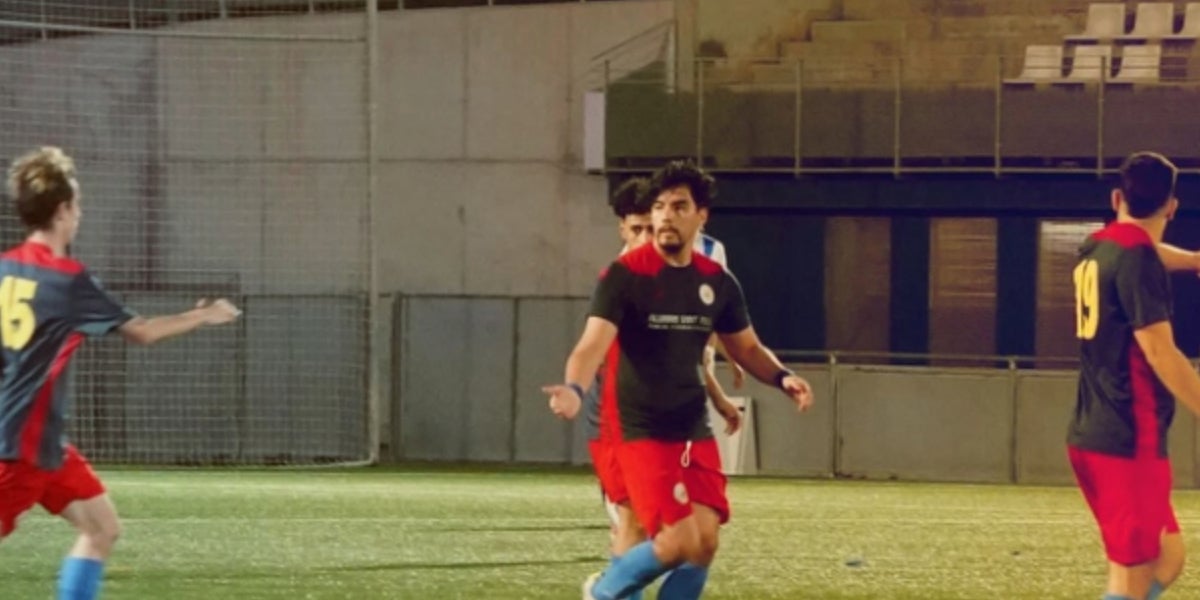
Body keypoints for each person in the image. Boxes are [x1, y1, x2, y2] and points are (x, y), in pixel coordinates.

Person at [545, 160, 813, 600]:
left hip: (691, 426)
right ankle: (607, 591)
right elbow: (590, 347)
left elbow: (745, 347)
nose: (666, 215)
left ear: (701, 215)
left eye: (678, 206)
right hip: (637, 427)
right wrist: (573, 389)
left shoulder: (716, 282)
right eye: (659, 207)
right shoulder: (625, 276)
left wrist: (783, 377)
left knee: (705, 542)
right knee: (671, 537)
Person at [0, 146, 241, 600]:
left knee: (102, 528)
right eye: (78, 205)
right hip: (20, 452)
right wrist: (202, 316)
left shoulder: (4, 271)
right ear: (63, 210)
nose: (80, 215)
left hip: (45, 447)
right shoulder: (66, 279)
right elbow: (143, 332)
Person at [583, 176, 741, 600]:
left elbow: (677, 354)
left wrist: (717, 393)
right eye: (637, 229)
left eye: (651, 228)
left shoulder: (680, 270)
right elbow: (602, 353)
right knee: (636, 523)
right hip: (620, 416)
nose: (647, 237)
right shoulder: (621, 278)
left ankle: (610, 591)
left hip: (677, 418)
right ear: (623, 230)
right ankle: (609, 592)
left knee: (699, 535)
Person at [1068, 151, 1200, 600]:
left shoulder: (1097, 245)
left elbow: (1145, 250)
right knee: (1131, 580)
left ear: (1117, 197)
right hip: (1128, 438)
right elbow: (1161, 354)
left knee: (1169, 557)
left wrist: (1195, 260)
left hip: (1092, 433)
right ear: (1172, 207)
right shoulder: (1136, 260)